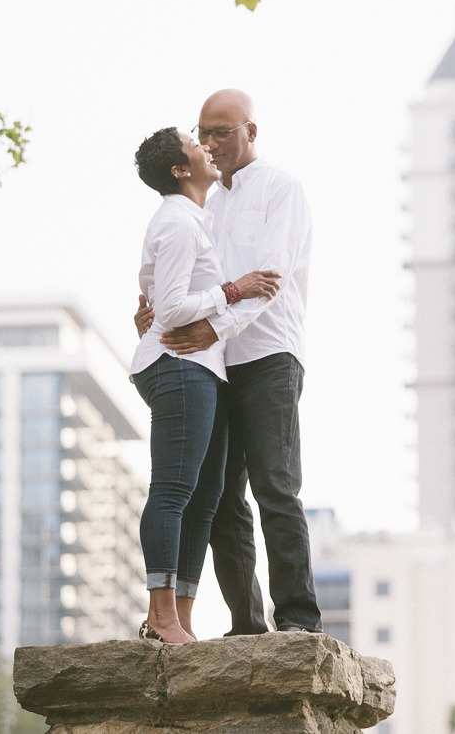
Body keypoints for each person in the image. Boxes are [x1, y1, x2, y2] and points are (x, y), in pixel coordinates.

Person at [137, 89, 322, 634]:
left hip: (268, 354)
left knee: (275, 487)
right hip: (211, 364)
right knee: (219, 499)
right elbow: (188, 276)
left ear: (251, 132)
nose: (212, 144)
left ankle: (298, 618)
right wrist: (152, 306)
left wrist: (212, 325)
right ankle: (246, 622)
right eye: (204, 134)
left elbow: (268, 278)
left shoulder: (283, 190)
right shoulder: (203, 205)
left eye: (222, 133)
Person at [130, 127, 280, 644]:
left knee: (206, 497)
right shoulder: (176, 222)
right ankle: (161, 616)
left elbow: (153, 297)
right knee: (174, 490)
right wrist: (232, 290)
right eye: (194, 142)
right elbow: (170, 310)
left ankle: (183, 617)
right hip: (176, 366)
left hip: (202, 368)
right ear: (179, 169)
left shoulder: (195, 220)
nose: (205, 146)